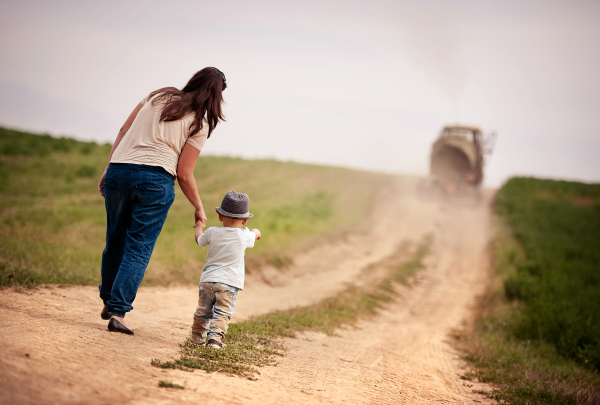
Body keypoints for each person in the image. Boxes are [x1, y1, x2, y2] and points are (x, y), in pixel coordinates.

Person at [97, 67, 227, 335]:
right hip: (155, 182)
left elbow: (124, 129)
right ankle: (118, 310)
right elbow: (184, 173)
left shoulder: (157, 96)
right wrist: (199, 207)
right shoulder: (199, 124)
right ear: (216, 96)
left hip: (120, 171)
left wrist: (109, 167)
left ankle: (109, 300)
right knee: (138, 247)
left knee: (115, 240)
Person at [191, 191, 261, 348]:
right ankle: (214, 340)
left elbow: (199, 240)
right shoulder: (244, 235)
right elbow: (253, 234)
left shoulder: (212, 232)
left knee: (203, 312)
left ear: (220, 217)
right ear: (244, 221)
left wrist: (199, 226)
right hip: (228, 283)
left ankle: (197, 339)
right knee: (222, 312)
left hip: (208, 280)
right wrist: (256, 232)